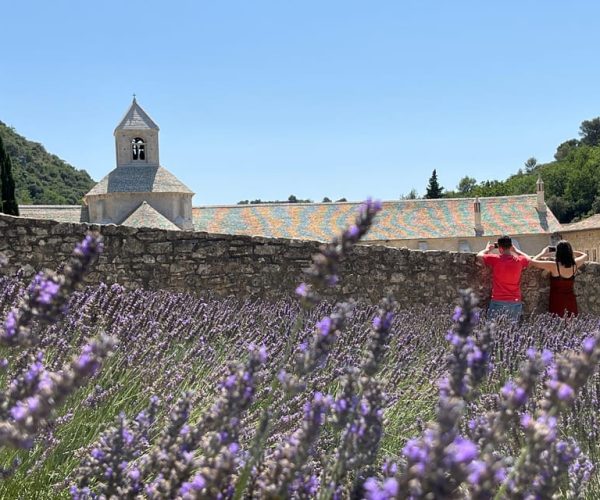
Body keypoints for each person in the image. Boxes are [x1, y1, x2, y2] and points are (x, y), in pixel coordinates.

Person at [477, 235, 531, 321]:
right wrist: (516, 250)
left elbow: (479, 256)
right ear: (511, 246)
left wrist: (487, 249)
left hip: (498, 300)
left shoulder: (495, 259)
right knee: (512, 331)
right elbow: (529, 259)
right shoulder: (520, 261)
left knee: (492, 330)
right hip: (515, 301)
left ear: (500, 248)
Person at [530, 240, 588, 317]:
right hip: (571, 301)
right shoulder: (575, 264)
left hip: (557, 302)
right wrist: (568, 251)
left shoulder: (554, 266)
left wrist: (543, 253)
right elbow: (585, 255)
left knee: (557, 326)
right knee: (572, 326)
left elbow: (531, 262)